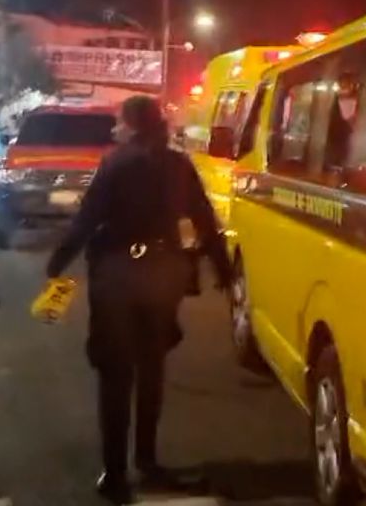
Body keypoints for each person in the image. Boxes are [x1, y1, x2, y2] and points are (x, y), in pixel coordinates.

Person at [45, 95, 232, 505]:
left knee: (115, 374)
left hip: (117, 275)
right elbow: (204, 218)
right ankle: (147, 460)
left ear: (131, 125)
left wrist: (57, 263)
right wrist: (222, 267)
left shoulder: (116, 163)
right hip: (163, 274)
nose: (115, 129)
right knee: (152, 368)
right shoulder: (178, 164)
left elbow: (87, 219)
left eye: (119, 122)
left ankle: (115, 473)